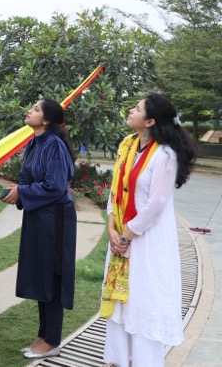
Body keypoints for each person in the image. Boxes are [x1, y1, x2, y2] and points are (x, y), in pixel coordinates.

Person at [100, 94, 196, 367]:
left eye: (138, 108)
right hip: (120, 239)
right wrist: (111, 227)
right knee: (122, 307)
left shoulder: (164, 155)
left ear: (150, 122)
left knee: (143, 305)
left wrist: (126, 235)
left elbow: (156, 204)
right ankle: (121, 360)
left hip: (146, 243)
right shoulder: (127, 146)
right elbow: (115, 189)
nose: (131, 110)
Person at [0, 97, 77, 360]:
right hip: (38, 217)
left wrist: (22, 192)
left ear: (46, 120)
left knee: (52, 277)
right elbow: (29, 178)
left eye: (35, 109)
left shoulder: (53, 145)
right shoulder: (35, 142)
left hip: (55, 219)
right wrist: (18, 191)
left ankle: (52, 340)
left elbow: (55, 186)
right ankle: (43, 335)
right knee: (41, 276)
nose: (29, 110)